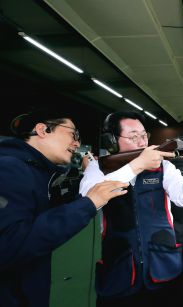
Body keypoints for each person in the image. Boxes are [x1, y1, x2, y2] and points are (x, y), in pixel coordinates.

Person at [79, 111, 183, 307]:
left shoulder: (164, 166)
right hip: (118, 274)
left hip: (165, 268)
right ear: (111, 141)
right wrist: (137, 165)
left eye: (144, 135)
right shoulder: (98, 169)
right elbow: (88, 199)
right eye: (133, 136)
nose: (142, 142)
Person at [0, 109, 129, 307]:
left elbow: (44, 213)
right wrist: (89, 204)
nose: (77, 143)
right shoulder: (9, 169)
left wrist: (85, 184)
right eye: (73, 134)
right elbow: (11, 244)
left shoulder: (35, 172)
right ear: (43, 130)